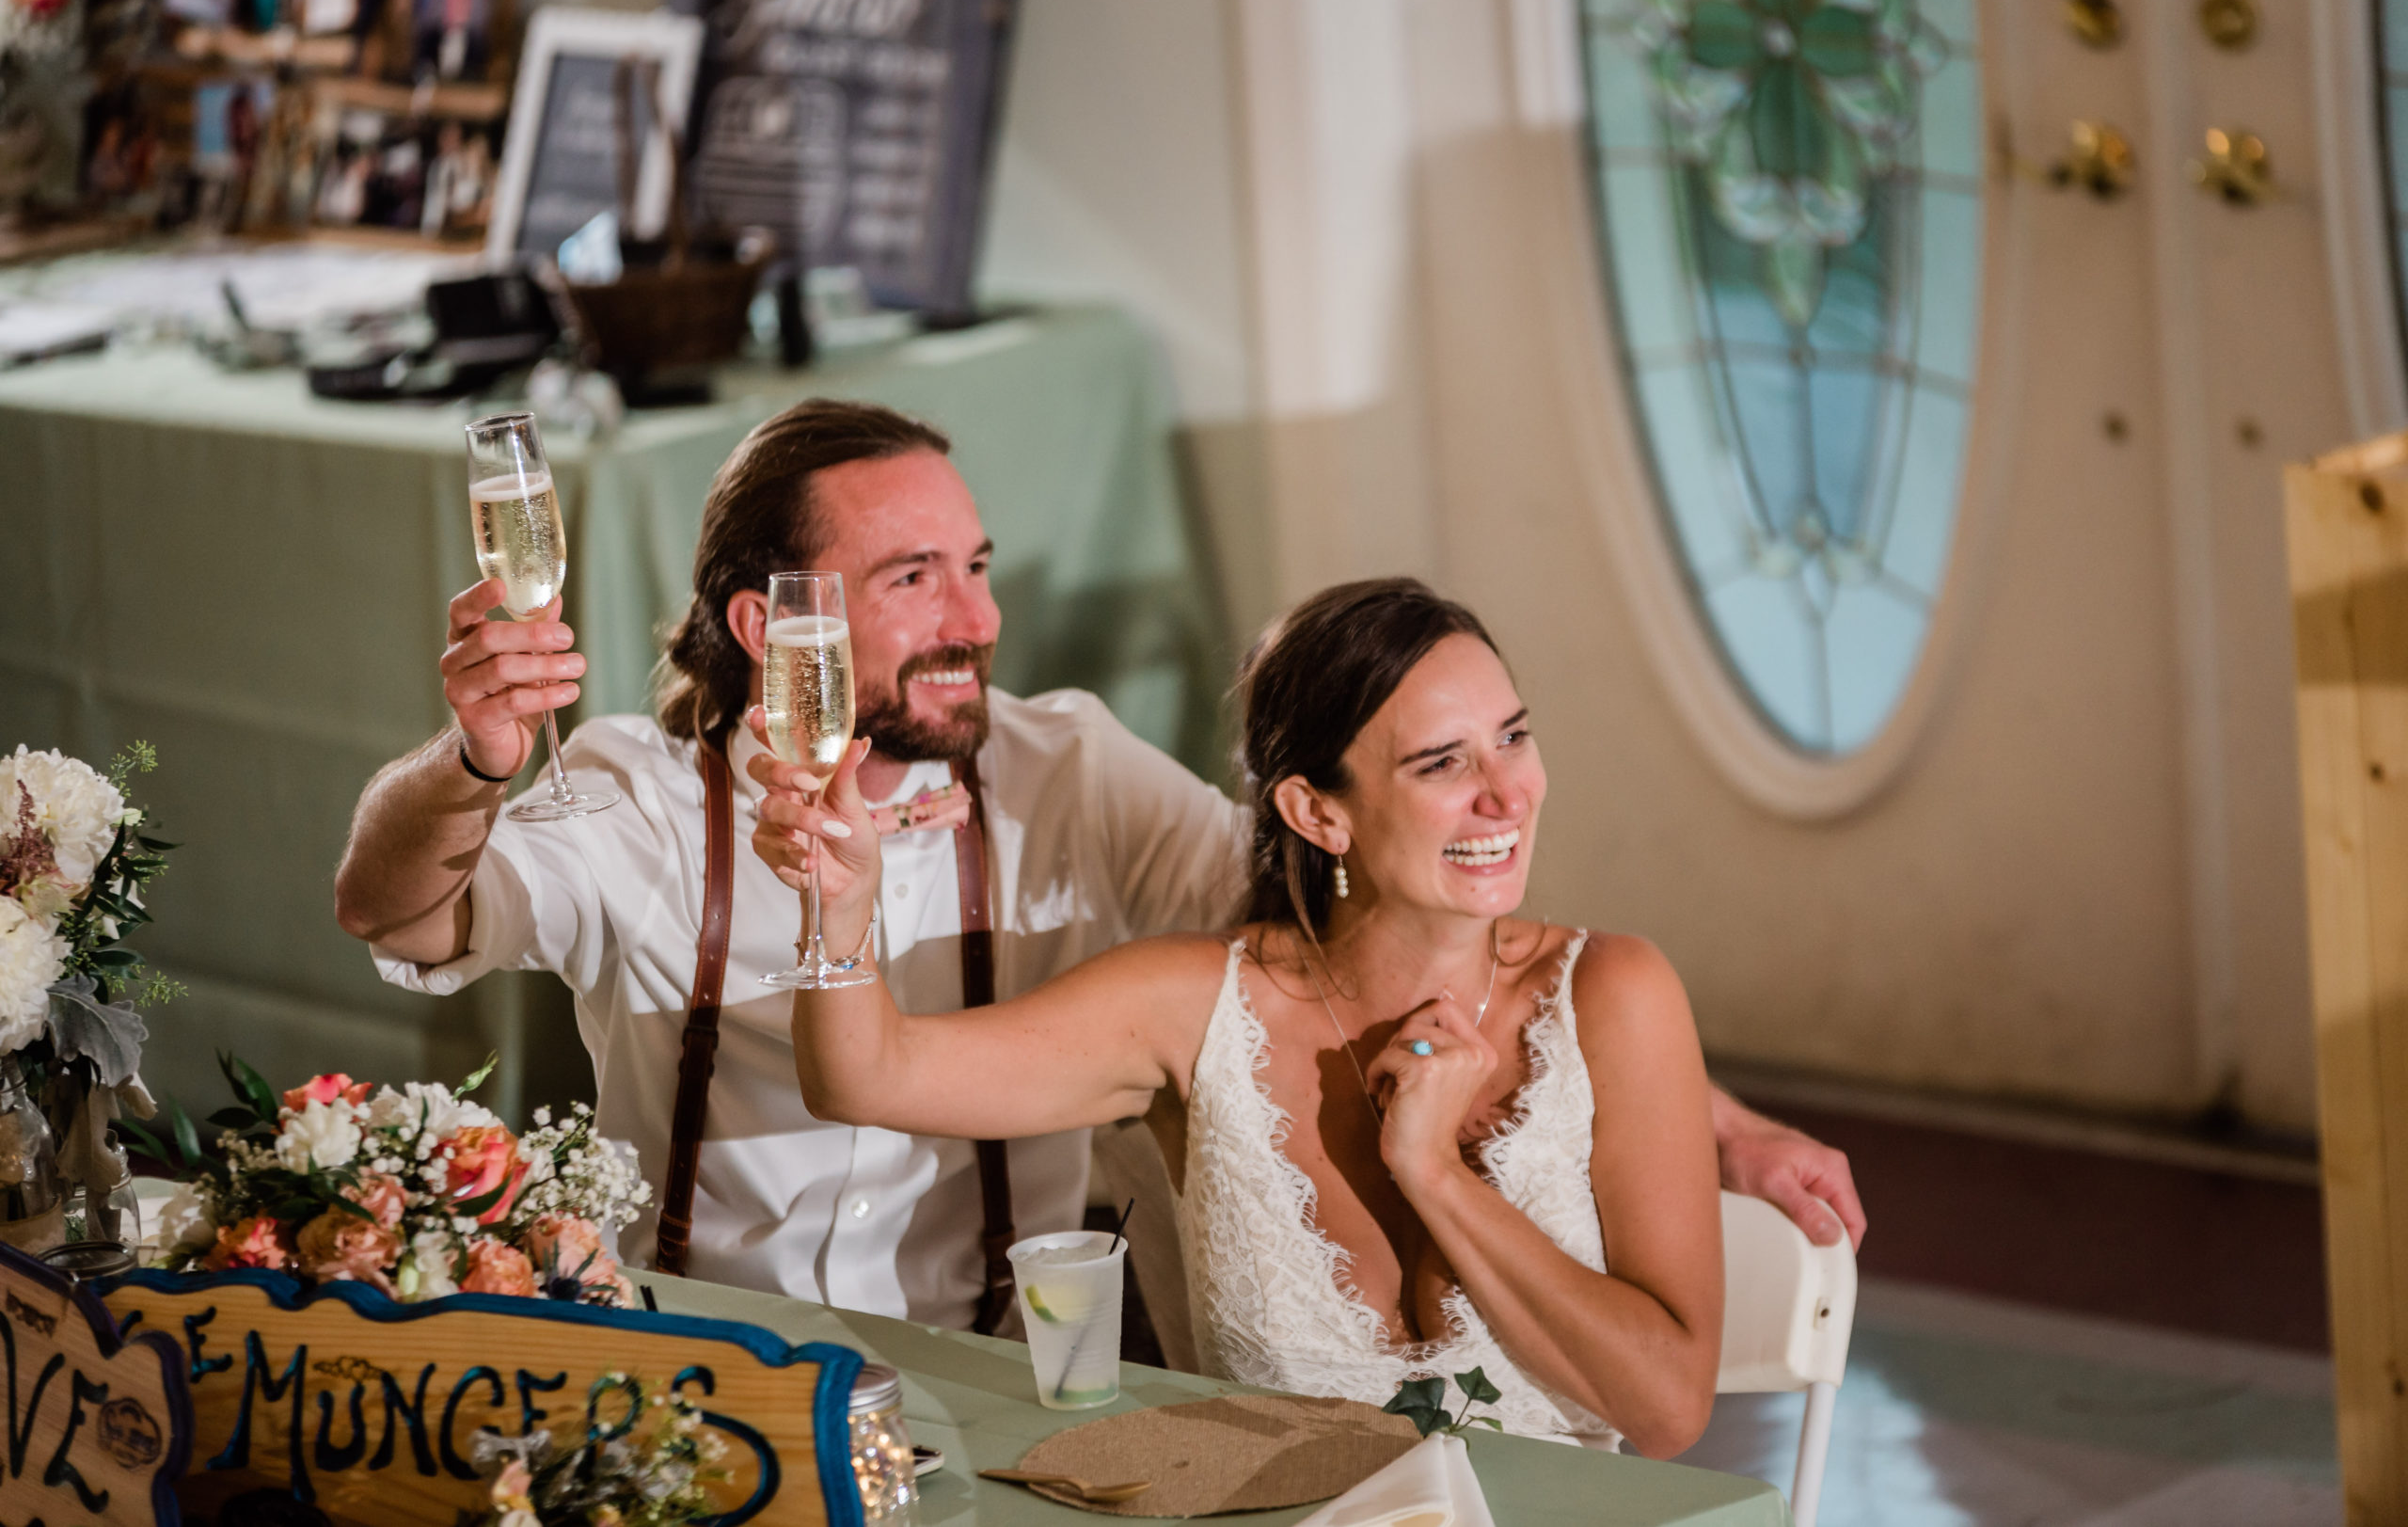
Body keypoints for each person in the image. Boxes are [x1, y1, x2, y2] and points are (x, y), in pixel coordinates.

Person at [334, 397, 1864, 1328]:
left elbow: (1355, 952)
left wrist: (1707, 1120)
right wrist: (472, 758)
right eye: (915, 577)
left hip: (1018, 1380)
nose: (979, 619)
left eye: (978, 568)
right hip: (709, 1370)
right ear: (768, 625)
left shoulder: (1064, 765)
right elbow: (398, 904)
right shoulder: (646, 805)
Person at [771, 580, 1718, 1452]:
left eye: (1513, 735)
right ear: (1317, 811)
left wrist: (1435, 1173)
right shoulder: (1190, 1008)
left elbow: (1668, 1408)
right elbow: (864, 1072)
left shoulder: (1613, 994)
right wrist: (840, 904)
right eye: (1442, 762)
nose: (1507, 793)